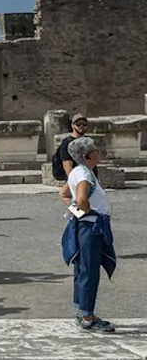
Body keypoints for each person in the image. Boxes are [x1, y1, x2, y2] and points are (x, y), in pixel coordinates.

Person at [60, 137, 116, 332]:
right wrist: (86, 212)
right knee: (89, 271)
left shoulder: (78, 172)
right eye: (95, 151)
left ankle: (83, 310)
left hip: (85, 225)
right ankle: (87, 317)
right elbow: (82, 199)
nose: (98, 153)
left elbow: (65, 194)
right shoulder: (85, 175)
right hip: (91, 228)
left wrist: (75, 213)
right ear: (87, 156)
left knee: (83, 269)